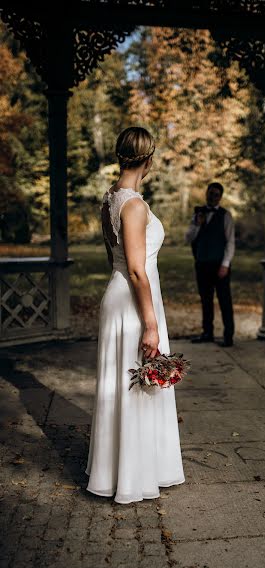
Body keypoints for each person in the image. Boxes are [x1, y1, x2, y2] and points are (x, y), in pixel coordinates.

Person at [85, 126, 185, 503]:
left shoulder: (110, 198)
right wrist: (151, 324)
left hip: (117, 294)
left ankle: (123, 470)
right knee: (136, 382)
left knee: (124, 383)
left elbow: (115, 259)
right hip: (133, 302)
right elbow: (138, 270)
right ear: (148, 158)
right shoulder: (135, 205)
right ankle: (132, 478)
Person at [185, 182, 235, 347]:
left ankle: (228, 335)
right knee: (206, 300)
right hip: (202, 264)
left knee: (224, 300)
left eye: (216, 194)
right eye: (210, 193)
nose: (212, 197)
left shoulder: (225, 216)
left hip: (220, 264)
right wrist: (198, 225)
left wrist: (225, 264)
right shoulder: (198, 214)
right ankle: (207, 332)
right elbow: (188, 238)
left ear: (220, 197)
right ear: (206, 194)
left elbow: (230, 242)